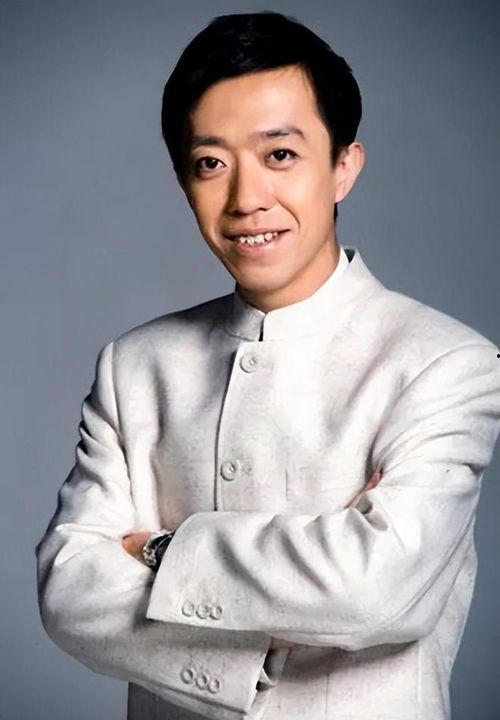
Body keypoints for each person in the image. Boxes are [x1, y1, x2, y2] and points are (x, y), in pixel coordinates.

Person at [35, 11, 500, 720]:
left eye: (279, 154)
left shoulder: (448, 364)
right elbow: (69, 591)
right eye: (210, 163)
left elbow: (375, 589)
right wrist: (285, 613)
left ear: (343, 167)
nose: (246, 198)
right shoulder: (135, 366)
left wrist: (161, 552)